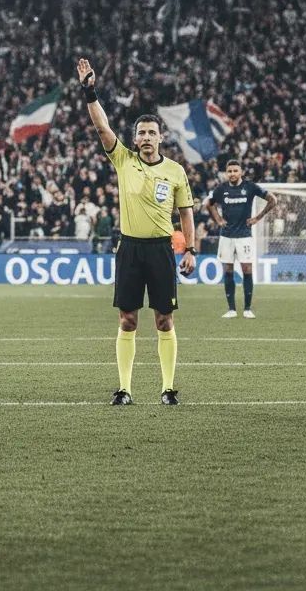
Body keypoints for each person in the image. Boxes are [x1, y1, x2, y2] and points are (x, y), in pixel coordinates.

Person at [76, 57, 195, 406]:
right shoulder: (123, 159)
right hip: (129, 248)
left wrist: (190, 249)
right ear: (135, 138)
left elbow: (186, 212)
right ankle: (124, 389)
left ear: (161, 138)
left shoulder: (175, 171)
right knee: (127, 320)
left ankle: (168, 388)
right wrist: (90, 93)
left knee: (164, 319)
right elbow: (102, 128)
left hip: (160, 249)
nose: (146, 137)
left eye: (151, 133)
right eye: (141, 133)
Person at [204, 159, 276, 319]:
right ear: (226, 173)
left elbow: (273, 200)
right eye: (229, 171)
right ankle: (231, 309)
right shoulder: (221, 189)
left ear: (241, 172)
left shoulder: (250, 187)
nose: (232, 174)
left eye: (235, 171)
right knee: (228, 270)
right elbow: (208, 204)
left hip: (244, 236)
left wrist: (258, 217)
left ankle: (247, 309)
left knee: (247, 270)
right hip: (227, 236)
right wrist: (218, 220)